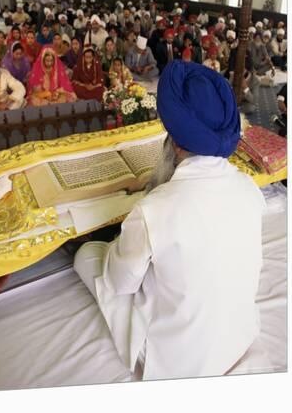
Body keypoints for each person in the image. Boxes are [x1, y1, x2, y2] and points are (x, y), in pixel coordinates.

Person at [74, 60, 265, 381]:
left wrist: (126, 244)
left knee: (87, 256)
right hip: (239, 336)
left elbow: (121, 283)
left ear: (174, 143)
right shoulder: (249, 189)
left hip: (182, 360)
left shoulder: (154, 210)